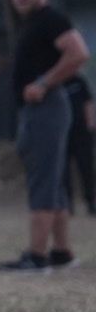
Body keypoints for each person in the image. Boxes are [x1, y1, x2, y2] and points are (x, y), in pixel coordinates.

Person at [0, 0, 90, 272]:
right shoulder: (34, 23)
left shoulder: (51, 19)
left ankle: (36, 256)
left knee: (43, 180)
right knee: (53, 180)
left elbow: (79, 53)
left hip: (47, 108)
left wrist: (43, 83)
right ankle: (62, 252)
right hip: (37, 110)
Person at [62, 74, 95, 218]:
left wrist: (90, 126)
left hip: (81, 133)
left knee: (86, 168)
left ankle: (91, 201)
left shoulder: (79, 82)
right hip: (62, 133)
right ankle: (66, 204)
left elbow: (88, 103)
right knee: (63, 170)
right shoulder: (56, 82)